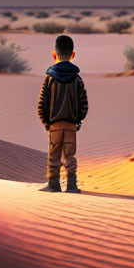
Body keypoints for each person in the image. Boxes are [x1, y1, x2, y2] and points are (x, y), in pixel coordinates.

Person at [37, 34, 88, 193]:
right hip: (71, 125)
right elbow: (84, 105)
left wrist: (46, 123)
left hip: (54, 125)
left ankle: (53, 184)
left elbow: (41, 104)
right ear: (73, 55)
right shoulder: (77, 80)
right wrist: (78, 120)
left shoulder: (49, 78)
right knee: (70, 156)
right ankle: (71, 186)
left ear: (54, 55)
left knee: (54, 155)